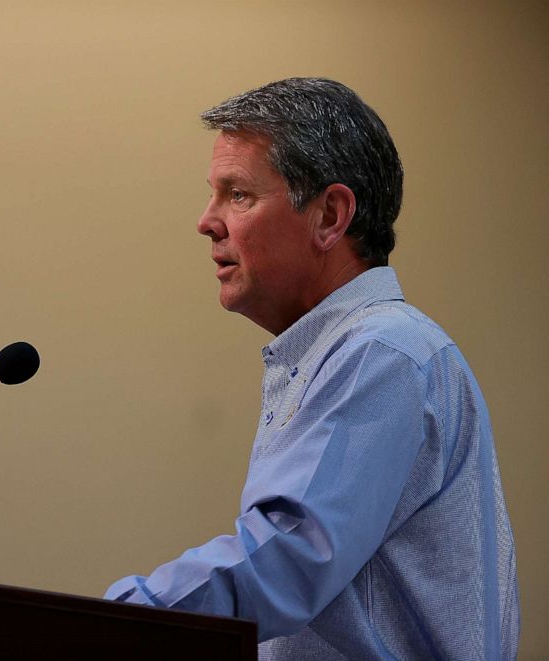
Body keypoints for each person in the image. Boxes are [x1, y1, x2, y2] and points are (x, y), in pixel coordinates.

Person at [104, 78, 519, 660]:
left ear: (329, 215)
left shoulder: (381, 352)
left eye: (238, 195)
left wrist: (111, 624)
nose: (207, 221)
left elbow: (289, 557)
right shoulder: (350, 350)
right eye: (213, 194)